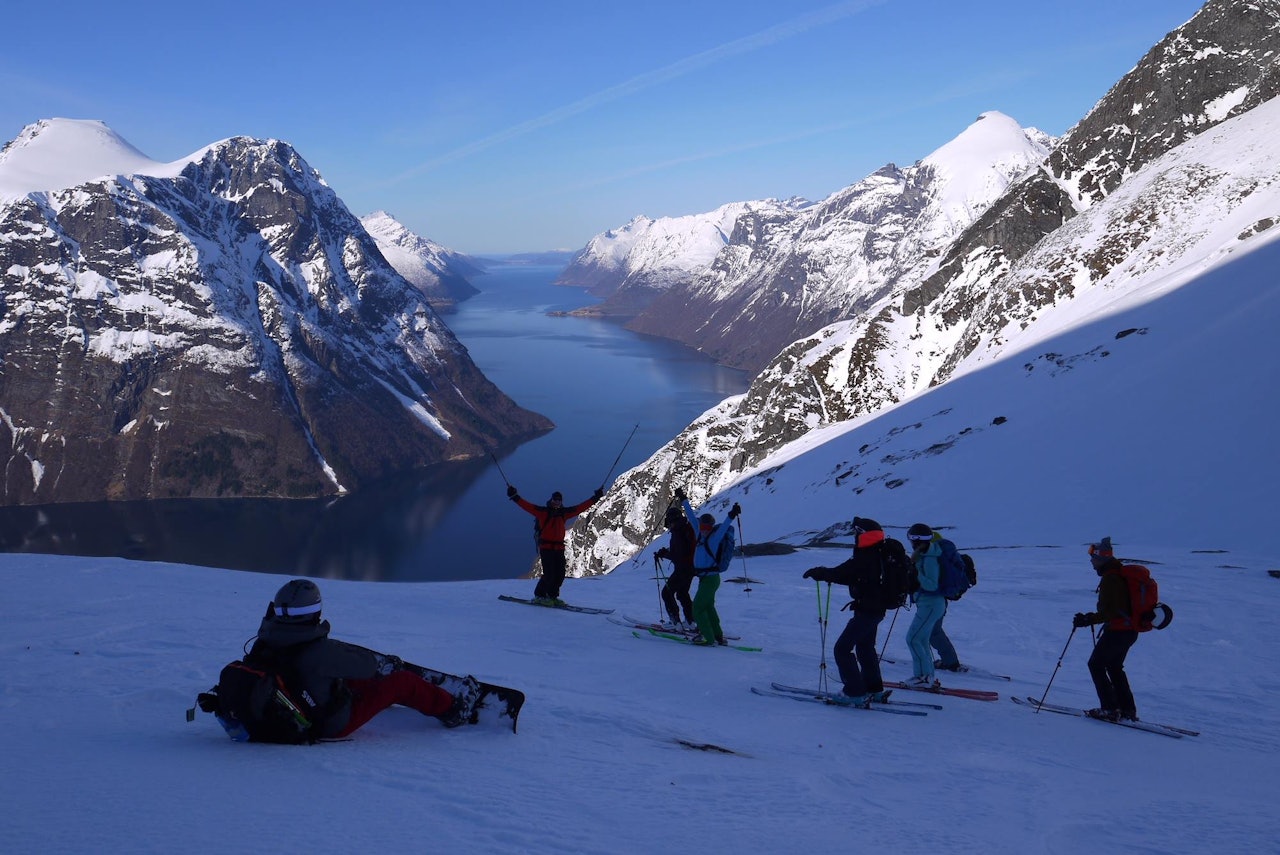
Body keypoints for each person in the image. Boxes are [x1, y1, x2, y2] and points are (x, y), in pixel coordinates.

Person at [250, 579, 481, 739]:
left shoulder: (267, 641)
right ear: (314, 610)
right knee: (402, 682)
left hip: (298, 707)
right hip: (329, 722)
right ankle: (453, 710)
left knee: (344, 679)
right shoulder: (319, 652)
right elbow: (367, 666)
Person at [802, 517, 898, 707]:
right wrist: (823, 572)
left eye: (856, 533)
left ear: (862, 535)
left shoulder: (866, 556)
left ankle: (854, 692)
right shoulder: (878, 552)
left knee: (842, 649)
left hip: (867, 610)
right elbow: (850, 575)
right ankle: (873, 689)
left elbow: (843, 573)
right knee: (865, 647)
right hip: (876, 610)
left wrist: (821, 573)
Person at [1073, 536, 1140, 722]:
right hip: (1129, 630)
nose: (1091, 562)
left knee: (1096, 664)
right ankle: (1127, 710)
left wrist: (1087, 620)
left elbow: (1111, 611)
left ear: (1101, 558)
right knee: (1114, 666)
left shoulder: (1111, 579)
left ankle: (1110, 709)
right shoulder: (1117, 574)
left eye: (1093, 558)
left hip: (1118, 631)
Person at [507, 484, 603, 605]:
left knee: (560, 574)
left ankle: (552, 596)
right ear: (551, 500)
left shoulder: (564, 513)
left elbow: (580, 508)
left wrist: (595, 498)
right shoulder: (543, 512)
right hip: (546, 547)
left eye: (559, 500)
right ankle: (540, 596)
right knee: (549, 573)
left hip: (559, 548)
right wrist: (514, 496)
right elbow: (527, 506)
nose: (557, 502)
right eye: (555, 500)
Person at [677, 488, 739, 646]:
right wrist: (683, 499)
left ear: (710, 527)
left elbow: (725, 526)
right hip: (706, 579)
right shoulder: (699, 533)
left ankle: (707, 637)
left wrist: (731, 515)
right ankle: (718, 636)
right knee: (708, 607)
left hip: (711, 579)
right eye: (702, 527)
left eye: (706, 527)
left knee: (697, 607)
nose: (703, 530)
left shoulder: (714, 538)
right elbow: (691, 516)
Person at [905, 522, 947, 688]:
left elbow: (931, 585)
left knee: (912, 639)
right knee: (921, 640)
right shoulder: (925, 554)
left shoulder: (929, 558)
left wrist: (915, 570)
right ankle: (927, 676)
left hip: (931, 604)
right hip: (929, 605)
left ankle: (921, 677)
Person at [923, 527, 965, 672]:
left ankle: (950, 662)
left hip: (934, 598)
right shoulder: (945, 554)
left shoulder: (934, 556)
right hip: (941, 597)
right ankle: (950, 660)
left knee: (933, 632)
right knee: (933, 630)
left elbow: (931, 580)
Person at [654, 505, 697, 629]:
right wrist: (666, 553)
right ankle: (691, 621)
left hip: (683, 568)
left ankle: (675, 622)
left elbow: (678, 554)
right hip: (690, 568)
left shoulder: (679, 531)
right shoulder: (685, 529)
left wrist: (665, 554)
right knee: (682, 593)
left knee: (667, 593)